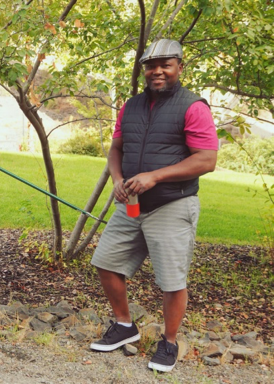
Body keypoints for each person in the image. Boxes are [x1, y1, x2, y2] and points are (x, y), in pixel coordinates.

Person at [89, 39, 218, 372]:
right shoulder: (130, 106)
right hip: (131, 204)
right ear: (144, 69)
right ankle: (124, 326)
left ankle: (169, 342)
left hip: (172, 204)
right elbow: (116, 149)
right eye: (151, 65)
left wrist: (155, 177)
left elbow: (206, 160)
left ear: (179, 67)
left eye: (166, 64)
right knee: (106, 263)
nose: (157, 71)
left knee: (171, 280)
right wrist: (118, 179)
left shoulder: (193, 107)